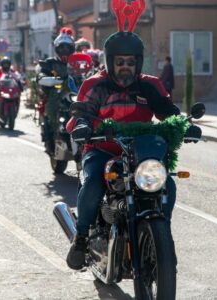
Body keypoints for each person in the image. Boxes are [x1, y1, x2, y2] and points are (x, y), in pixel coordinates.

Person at [64, 29, 181, 270]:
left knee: (166, 183)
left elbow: (167, 110)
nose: (125, 67)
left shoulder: (150, 85)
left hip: (140, 153)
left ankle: (163, 239)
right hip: (102, 150)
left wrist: (183, 125)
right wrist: (82, 126)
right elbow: (82, 112)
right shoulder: (95, 85)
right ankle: (82, 238)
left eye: (130, 62)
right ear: (110, 62)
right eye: (120, 62)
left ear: (138, 62)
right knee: (94, 181)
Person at [36, 27, 75, 153]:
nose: (65, 50)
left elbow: (89, 71)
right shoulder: (50, 62)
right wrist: (44, 78)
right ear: (57, 48)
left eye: (67, 48)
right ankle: (50, 140)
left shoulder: (76, 63)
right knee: (50, 114)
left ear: (72, 49)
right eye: (62, 48)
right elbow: (41, 73)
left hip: (74, 94)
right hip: (55, 94)